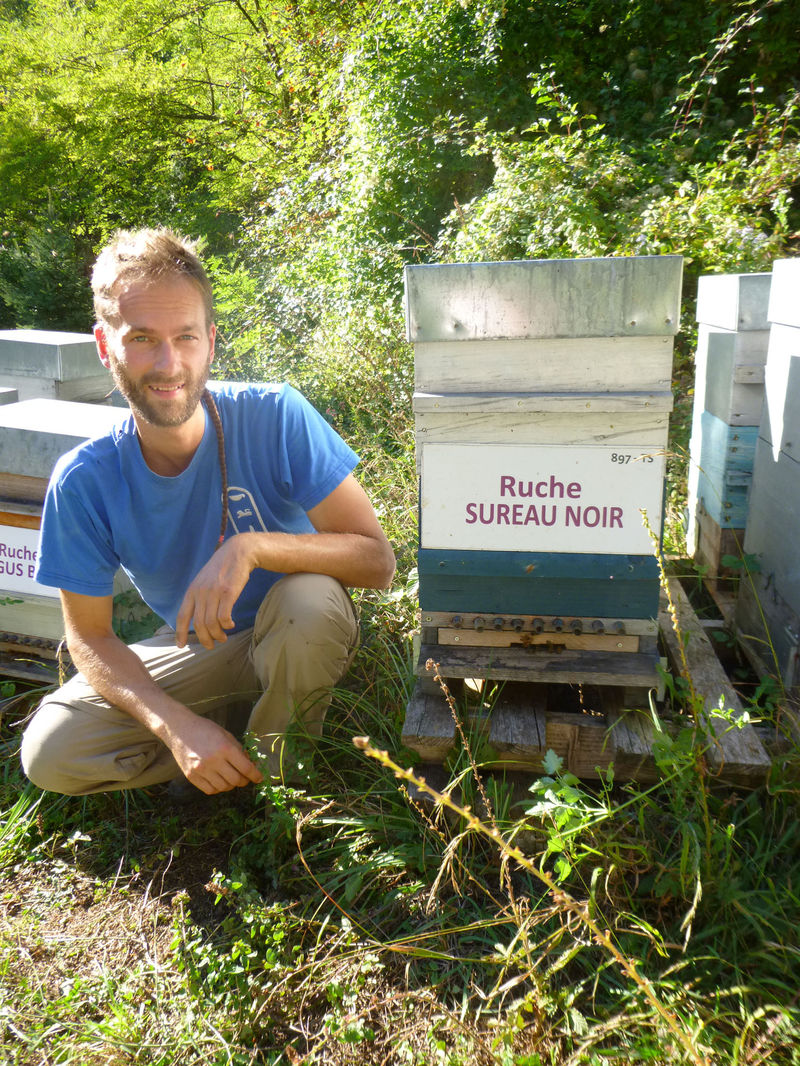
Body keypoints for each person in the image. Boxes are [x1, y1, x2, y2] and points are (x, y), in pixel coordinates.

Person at [20, 227, 395, 797]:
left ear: (212, 342)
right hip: (198, 651)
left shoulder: (275, 415)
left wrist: (251, 547)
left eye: (186, 337)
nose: (169, 364)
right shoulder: (84, 479)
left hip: (297, 634)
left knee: (306, 603)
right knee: (52, 751)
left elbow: (377, 561)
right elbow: (90, 639)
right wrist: (173, 725)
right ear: (104, 345)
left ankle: (283, 788)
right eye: (143, 337)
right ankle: (215, 743)